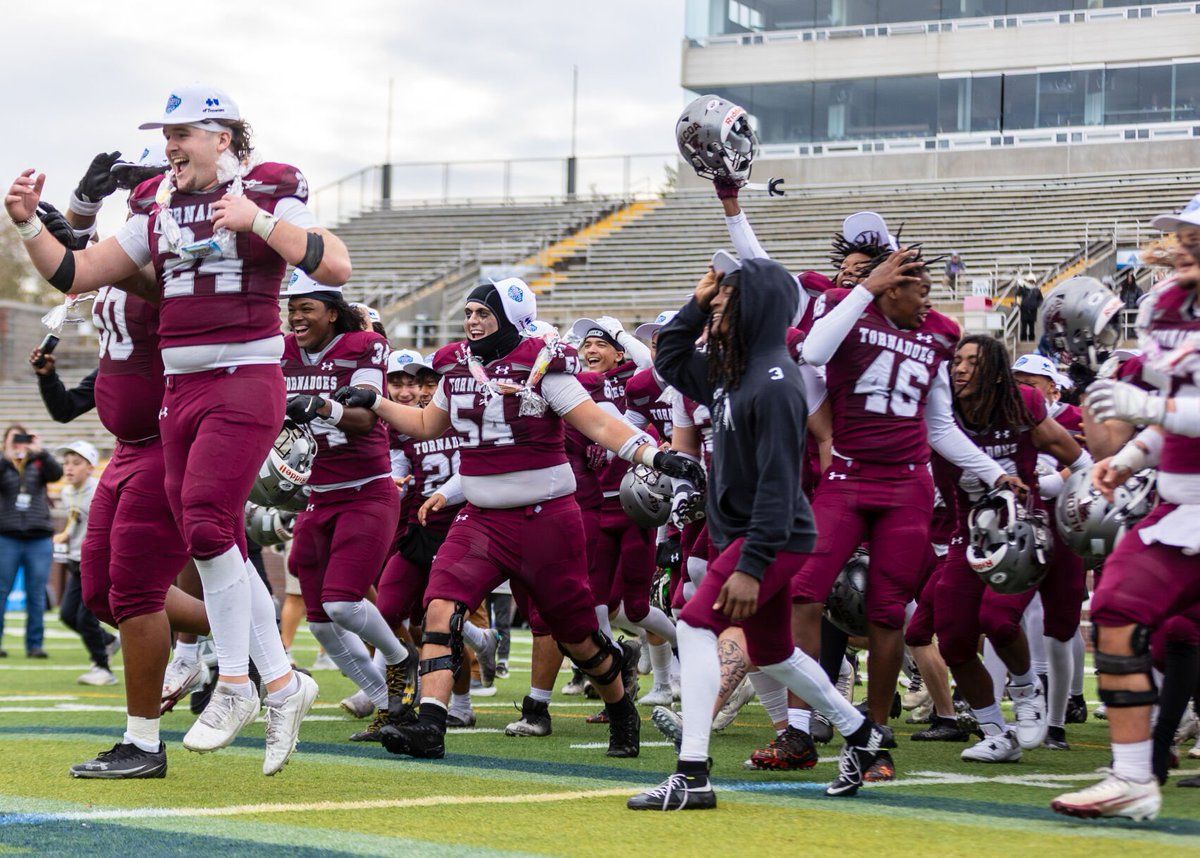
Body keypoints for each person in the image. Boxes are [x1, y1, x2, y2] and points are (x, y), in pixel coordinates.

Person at [4, 83, 343, 774]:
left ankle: (236, 681)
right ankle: (277, 682)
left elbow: (333, 264)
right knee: (185, 548)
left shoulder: (265, 187)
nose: (168, 149)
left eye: (181, 134)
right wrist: (28, 225)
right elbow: (78, 271)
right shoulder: (157, 207)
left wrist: (256, 220)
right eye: (165, 138)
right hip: (176, 395)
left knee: (206, 532)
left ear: (222, 137)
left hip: (239, 375)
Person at [333, 278, 703, 761]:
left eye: (483, 313)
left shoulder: (543, 365)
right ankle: (431, 725)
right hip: (481, 519)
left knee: (575, 634)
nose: (472, 322)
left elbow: (598, 423)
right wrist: (375, 402)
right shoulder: (456, 366)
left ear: (511, 317)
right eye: (469, 312)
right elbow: (425, 424)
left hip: (545, 520)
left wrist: (654, 456)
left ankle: (620, 709)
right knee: (440, 607)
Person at [629, 259, 888, 811]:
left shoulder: (774, 381)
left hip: (768, 536)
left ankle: (692, 774)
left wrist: (751, 565)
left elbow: (778, 482)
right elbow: (669, 358)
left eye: (728, 301)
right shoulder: (733, 370)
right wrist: (698, 301)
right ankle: (863, 735)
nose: (717, 310)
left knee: (694, 623)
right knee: (775, 653)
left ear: (759, 309)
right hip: (750, 534)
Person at [1051, 227, 1200, 821]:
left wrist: (1145, 407)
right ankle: (1135, 776)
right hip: (1181, 506)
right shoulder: (1177, 319)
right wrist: (1131, 456)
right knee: (1114, 609)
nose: (1181, 256)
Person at [932, 336, 1088, 764]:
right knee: (954, 640)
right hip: (969, 532)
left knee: (998, 620)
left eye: (972, 362)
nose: (960, 369)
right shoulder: (939, 409)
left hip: (1021, 529)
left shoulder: (1022, 404)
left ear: (997, 373)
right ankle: (996, 733)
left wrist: (1087, 504)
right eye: (957, 361)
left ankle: (1026, 690)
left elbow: (1078, 459)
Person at [280, 272, 414, 742]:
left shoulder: (363, 345)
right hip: (317, 496)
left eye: (307, 308)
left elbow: (363, 418)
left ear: (333, 313)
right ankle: (388, 706)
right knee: (320, 623)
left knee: (341, 602)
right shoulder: (281, 351)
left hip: (366, 490)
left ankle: (400, 659)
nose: (296, 317)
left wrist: (322, 407)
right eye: (292, 308)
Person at [52, 440, 118, 686]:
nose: (69, 468)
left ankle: (103, 668)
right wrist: (65, 535)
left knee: (85, 617)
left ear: (90, 467)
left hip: (96, 562)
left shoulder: (99, 490)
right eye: (66, 463)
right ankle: (108, 641)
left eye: (76, 463)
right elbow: (75, 522)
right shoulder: (67, 492)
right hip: (76, 561)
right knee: (67, 615)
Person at [0, 425, 62, 659]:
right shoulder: (3, 463)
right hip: (7, 536)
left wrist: (40, 451)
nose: (19, 442)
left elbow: (56, 474)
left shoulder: (37, 462)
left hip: (38, 537)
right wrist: (6, 456)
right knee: (1, 592)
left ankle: (35, 645)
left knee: (36, 594)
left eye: (22, 438)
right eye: (13, 439)